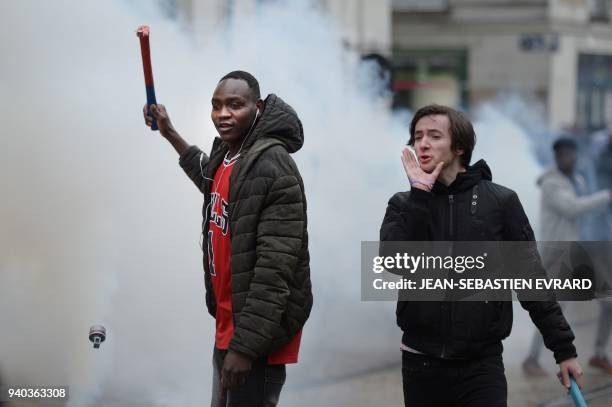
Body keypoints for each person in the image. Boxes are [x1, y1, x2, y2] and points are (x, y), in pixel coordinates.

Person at [380, 104, 583, 407]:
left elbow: (531, 281)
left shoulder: (500, 202)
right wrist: (420, 197)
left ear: (459, 146)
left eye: (434, 135)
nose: (422, 143)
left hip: (481, 365)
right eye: (417, 136)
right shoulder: (404, 204)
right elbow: (393, 264)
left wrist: (563, 349)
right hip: (421, 364)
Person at [143, 70, 313, 406]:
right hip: (230, 327)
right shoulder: (230, 153)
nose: (223, 114)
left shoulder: (271, 164)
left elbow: (274, 270)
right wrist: (169, 132)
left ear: (258, 107)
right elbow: (210, 178)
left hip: (255, 339)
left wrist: (245, 348)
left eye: (235, 105)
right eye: (216, 105)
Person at [522, 138, 612, 376]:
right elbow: (573, 207)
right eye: (562, 154)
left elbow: (590, 211)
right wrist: (606, 196)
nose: (567, 157)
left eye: (570, 153)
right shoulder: (552, 183)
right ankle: (532, 358)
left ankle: (599, 353)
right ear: (556, 156)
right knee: (554, 308)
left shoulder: (578, 180)